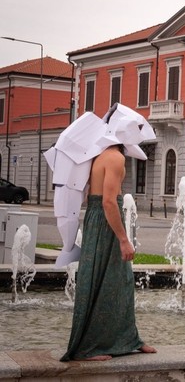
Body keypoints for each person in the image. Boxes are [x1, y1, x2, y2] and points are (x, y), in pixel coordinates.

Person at [61, 144, 156, 361]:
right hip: (105, 224)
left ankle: (128, 339)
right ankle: (88, 348)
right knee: (110, 282)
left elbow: (89, 196)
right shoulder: (115, 158)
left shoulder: (99, 156)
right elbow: (109, 202)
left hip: (97, 221)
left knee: (111, 282)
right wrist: (123, 239)